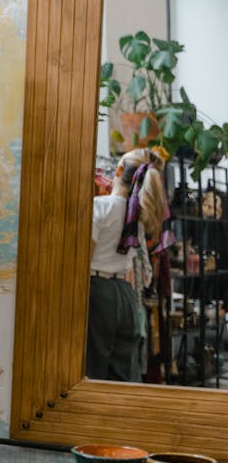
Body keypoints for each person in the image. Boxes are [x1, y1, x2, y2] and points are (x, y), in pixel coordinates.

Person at [87, 147, 169, 381]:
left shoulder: (99, 206)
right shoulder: (139, 216)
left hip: (97, 291)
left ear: (120, 170)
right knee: (124, 372)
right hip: (126, 294)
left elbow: (85, 258)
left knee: (93, 369)